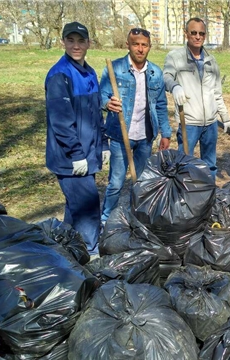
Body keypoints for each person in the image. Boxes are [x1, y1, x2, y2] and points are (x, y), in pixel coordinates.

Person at [45, 22, 106, 256]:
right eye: (71, 40)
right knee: (88, 207)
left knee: (75, 208)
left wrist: (103, 144)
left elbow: (95, 114)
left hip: (87, 154)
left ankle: (67, 250)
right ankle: (91, 255)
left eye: (81, 41)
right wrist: (77, 155)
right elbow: (61, 122)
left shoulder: (89, 72)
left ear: (89, 43)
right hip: (70, 158)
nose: (76, 46)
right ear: (63, 42)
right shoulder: (60, 75)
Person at [100, 28, 172, 225]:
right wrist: (107, 104)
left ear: (149, 47)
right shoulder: (114, 69)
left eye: (144, 45)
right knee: (115, 182)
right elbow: (102, 95)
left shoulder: (155, 72)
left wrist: (165, 132)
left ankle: (134, 219)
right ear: (128, 45)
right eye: (136, 44)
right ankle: (106, 220)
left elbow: (160, 105)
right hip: (119, 135)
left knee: (139, 182)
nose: (140, 49)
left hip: (145, 136)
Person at [163, 17, 230, 179]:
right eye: (193, 33)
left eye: (201, 33)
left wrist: (226, 119)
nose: (197, 36)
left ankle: (208, 197)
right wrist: (175, 86)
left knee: (210, 164)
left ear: (205, 35)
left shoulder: (211, 61)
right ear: (186, 33)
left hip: (211, 123)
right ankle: (184, 198)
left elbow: (217, 93)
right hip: (189, 122)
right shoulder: (175, 57)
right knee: (184, 164)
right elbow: (165, 76)